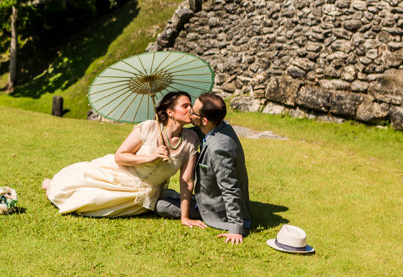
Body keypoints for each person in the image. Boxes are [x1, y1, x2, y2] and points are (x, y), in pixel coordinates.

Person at [42, 91, 201, 217]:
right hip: (118, 176)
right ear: (170, 111)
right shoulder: (149, 128)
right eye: (185, 106)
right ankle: (52, 185)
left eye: (191, 105)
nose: (190, 109)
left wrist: (185, 217)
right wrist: (150, 157)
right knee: (84, 196)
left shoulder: (190, 140)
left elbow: (186, 180)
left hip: (143, 195)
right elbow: (120, 156)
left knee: (96, 205)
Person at [155, 92, 251, 244]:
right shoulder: (220, 127)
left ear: (204, 120)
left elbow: (230, 188)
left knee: (161, 205)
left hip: (216, 209)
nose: (189, 111)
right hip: (208, 196)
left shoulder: (219, 149)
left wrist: (236, 229)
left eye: (193, 111)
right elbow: (191, 133)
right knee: (164, 194)